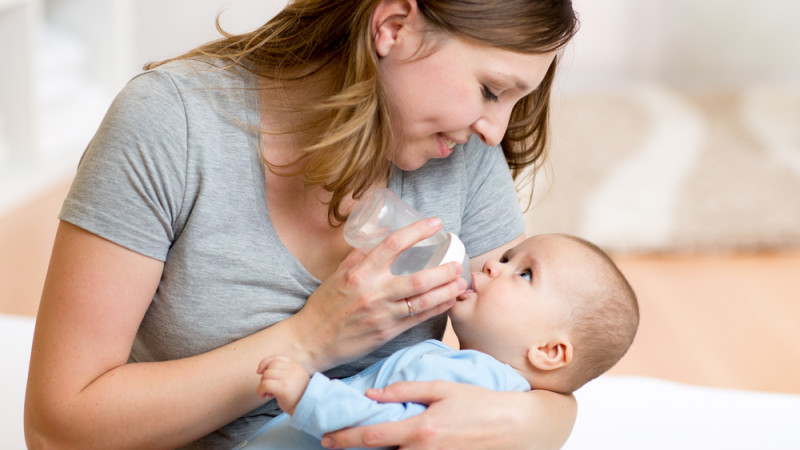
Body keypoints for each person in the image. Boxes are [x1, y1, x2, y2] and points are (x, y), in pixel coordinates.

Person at [24, 1, 581, 448]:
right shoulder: (173, 124)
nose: (495, 130)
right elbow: (57, 429)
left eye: (516, 100)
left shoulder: (461, 156)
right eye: (490, 90)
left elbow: (541, 367)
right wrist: (308, 339)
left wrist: (525, 423)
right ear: (393, 27)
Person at [236, 233, 639, 448]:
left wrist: (306, 395)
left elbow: (387, 429)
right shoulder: (483, 385)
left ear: (549, 351)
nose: (492, 265)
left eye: (525, 273)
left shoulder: (472, 381)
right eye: (507, 257)